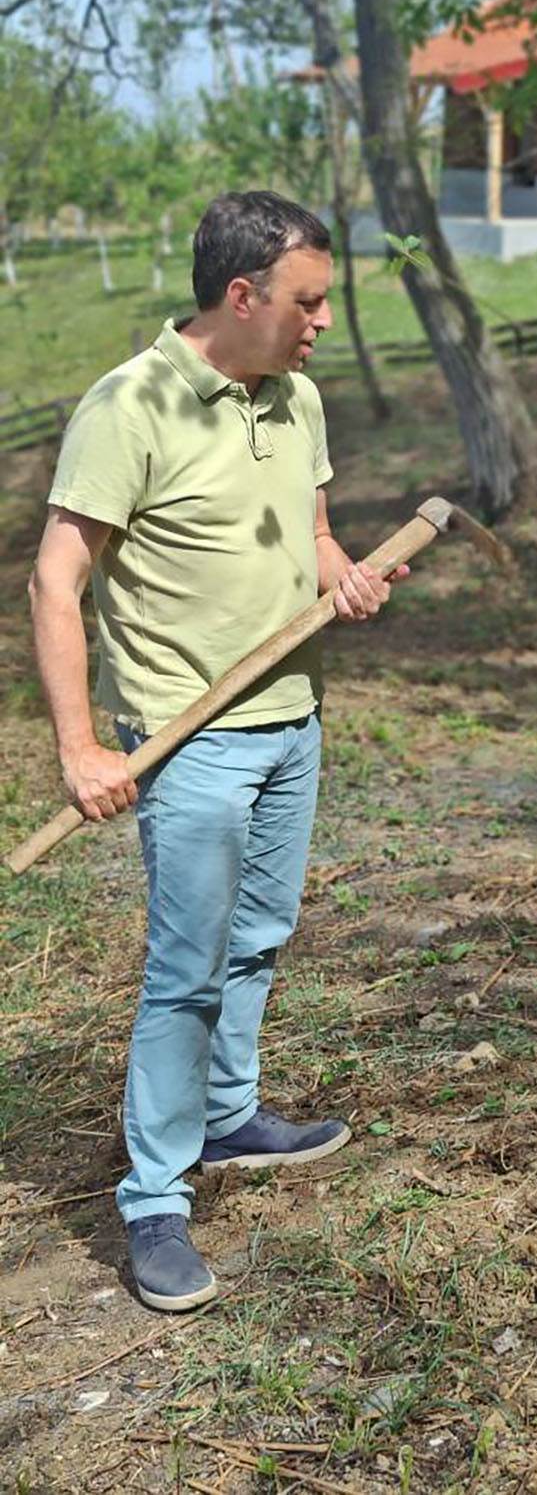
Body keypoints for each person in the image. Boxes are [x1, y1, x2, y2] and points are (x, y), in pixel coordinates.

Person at [28, 191, 403, 1312]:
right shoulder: (129, 405)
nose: (323, 322)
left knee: (259, 936)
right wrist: (82, 746)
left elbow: (314, 530)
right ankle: (154, 1196)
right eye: (307, 302)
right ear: (241, 296)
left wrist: (342, 573)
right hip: (186, 742)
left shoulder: (298, 396)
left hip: (292, 718)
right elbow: (55, 579)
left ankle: (229, 1114)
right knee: (186, 968)